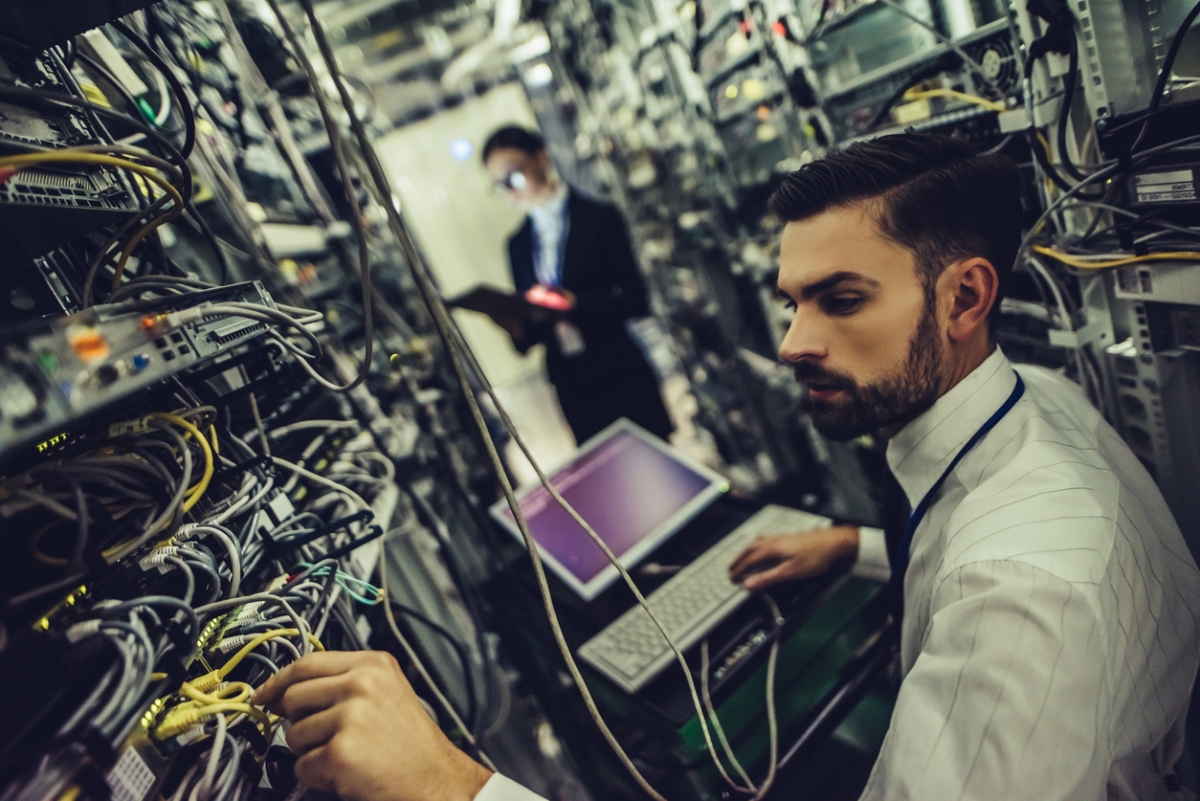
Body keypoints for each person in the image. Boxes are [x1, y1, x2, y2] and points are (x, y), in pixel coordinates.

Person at [253, 133, 1200, 801]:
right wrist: (861, 546)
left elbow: (1016, 579)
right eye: (790, 302)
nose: (794, 342)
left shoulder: (1023, 597)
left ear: (965, 297)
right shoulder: (1033, 404)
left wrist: (456, 787)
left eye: (840, 300)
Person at [479, 125, 673, 444]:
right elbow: (530, 339)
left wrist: (576, 304)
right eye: (499, 185)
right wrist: (515, 324)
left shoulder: (598, 217)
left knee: (658, 466)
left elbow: (636, 300)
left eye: (513, 177)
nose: (510, 191)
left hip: (618, 369)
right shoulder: (517, 244)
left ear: (541, 158)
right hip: (572, 382)